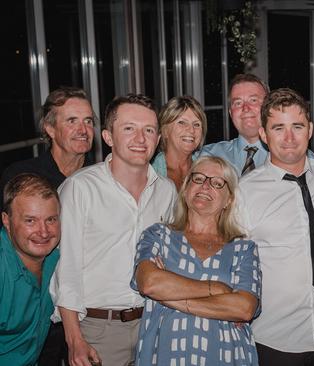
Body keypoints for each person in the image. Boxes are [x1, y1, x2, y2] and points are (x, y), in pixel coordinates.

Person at [50, 94, 177, 366]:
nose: (140, 139)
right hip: (97, 330)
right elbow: (66, 270)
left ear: (158, 139)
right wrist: (74, 340)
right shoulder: (79, 188)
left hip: (154, 323)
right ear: (108, 137)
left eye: (149, 130)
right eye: (129, 128)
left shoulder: (167, 191)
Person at [239, 88, 314, 365]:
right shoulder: (244, 191)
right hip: (275, 339)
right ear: (264, 135)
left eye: (297, 126)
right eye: (278, 128)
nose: (289, 138)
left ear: (310, 129)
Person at [132, 156, 261, 365]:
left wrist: (168, 298)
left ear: (229, 199)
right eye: (198, 178)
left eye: (217, 183)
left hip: (225, 356)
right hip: (166, 354)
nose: (205, 186)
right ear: (185, 189)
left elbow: (244, 308)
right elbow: (149, 283)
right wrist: (216, 288)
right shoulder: (158, 235)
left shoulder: (243, 248)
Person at [0, 86, 95, 366]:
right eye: (72, 121)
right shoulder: (21, 177)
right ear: (49, 129)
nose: (83, 129)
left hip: (78, 304)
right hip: (22, 309)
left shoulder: (99, 179)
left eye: (88, 121)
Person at [0, 174, 61, 365]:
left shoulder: (57, 257)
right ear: (6, 221)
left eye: (51, 219)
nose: (43, 232)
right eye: (30, 221)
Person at [199, 73, 269, 175]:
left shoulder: (287, 156)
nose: (245, 108)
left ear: (268, 107)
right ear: (231, 113)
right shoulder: (210, 156)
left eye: (253, 100)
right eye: (238, 103)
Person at [151, 95, 208, 190]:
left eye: (196, 124)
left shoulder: (208, 170)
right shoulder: (150, 175)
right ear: (165, 131)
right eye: (182, 122)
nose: (191, 130)